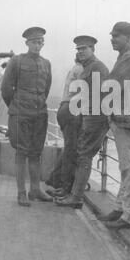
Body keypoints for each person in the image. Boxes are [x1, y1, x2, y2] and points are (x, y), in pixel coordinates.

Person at [101, 22, 130, 229]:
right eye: (112, 35)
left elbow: (110, 84)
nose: (112, 38)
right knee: (126, 167)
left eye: (117, 36)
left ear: (129, 38)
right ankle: (121, 207)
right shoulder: (125, 57)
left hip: (128, 120)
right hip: (122, 118)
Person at [1, 26, 53, 206]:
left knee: (36, 152)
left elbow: (45, 89)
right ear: (27, 43)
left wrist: (36, 104)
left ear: (43, 43)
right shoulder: (16, 61)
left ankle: (35, 189)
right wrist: (16, 106)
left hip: (40, 114)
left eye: (40, 42)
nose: (37, 45)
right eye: (33, 42)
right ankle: (21, 192)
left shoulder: (46, 63)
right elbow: (6, 89)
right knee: (21, 153)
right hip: (20, 114)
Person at [55, 35, 109, 209]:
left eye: (84, 48)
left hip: (95, 119)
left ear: (93, 49)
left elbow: (103, 96)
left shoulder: (97, 68)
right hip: (88, 118)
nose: (80, 52)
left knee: (84, 156)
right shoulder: (87, 68)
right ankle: (73, 194)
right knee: (81, 155)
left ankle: (76, 197)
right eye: (78, 49)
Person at [45, 54, 83, 197]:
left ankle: (54, 179)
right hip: (71, 110)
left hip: (64, 108)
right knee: (72, 150)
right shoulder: (81, 70)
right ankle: (65, 186)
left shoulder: (74, 69)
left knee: (69, 147)